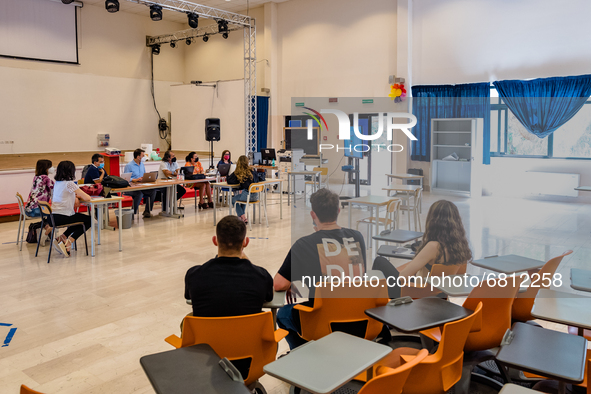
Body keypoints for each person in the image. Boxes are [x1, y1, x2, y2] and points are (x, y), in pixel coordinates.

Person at [273, 188, 367, 349]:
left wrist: (292, 284)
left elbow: (278, 285)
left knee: (283, 314)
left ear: (313, 214)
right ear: (338, 210)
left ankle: (305, 354)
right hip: (360, 319)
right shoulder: (357, 237)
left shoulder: (304, 245)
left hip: (324, 323)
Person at [184, 215, 273, 317]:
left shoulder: (194, 275)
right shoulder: (262, 277)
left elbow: (189, 296)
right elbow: (269, 297)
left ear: (215, 241)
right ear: (245, 242)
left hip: (207, 332)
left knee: (187, 320)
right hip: (247, 332)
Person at [373, 199, 472, 286]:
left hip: (418, 295)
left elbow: (402, 277)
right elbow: (459, 279)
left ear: (433, 221)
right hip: (439, 295)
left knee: (380, 261)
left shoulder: (434, 246)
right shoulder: (461, 246)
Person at [51, 161, 92, 257]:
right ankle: (69, 242)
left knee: (79, 219)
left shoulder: (58, 183)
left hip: (54, 216)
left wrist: (76, 197)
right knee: (89, 220)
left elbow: (69, 194)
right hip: (64, 216)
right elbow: (87, 198)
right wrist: (78, 196)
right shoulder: (69, 183)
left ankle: (62, 237)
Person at [25, 159, 54, 245]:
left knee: (50, 213)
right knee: (55, 214)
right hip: (36, 209)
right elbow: (55, 188)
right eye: (50, 166)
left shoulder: (36, 177)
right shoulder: (45, 178)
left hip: (28, 209)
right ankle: (46, 231)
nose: (52, 168)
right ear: (46, 168)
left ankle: (45, 228)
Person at [123, 148, 157, 218]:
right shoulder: (129, 165)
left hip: (141, 185)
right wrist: (134, 179)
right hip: (131, 187)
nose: (144, 157)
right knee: (139, 194)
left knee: (153, 191)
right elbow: (125, 178)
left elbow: (143, 174)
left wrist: (144, 178)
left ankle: (147, 211)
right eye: (143, 155)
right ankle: (132, 213)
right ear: (138, 157)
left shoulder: (142, 165)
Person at [226, 155, 258, 223]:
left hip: (247, 195)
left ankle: (242, 216)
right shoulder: (252, 170)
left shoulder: (238, 172)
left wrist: (227, 174)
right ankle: (242, 217)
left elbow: (230, 180)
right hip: (255, 196)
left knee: (232, 199)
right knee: (242, 198)